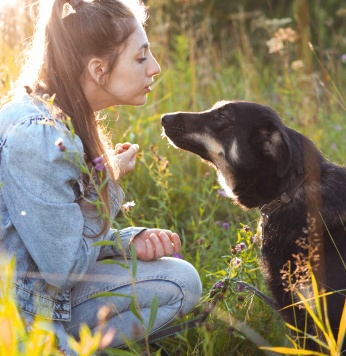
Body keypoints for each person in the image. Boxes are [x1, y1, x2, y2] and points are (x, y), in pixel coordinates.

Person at [0, 0, 202, 354]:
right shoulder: (38, 137)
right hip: (16, 314)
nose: (154, 69)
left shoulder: (57, 119)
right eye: (141, 58)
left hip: (42, 296)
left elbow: (53, 238)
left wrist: (125, 242)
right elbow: (64, 268)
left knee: (180, 281)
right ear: (98, 69)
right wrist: (105, 178)